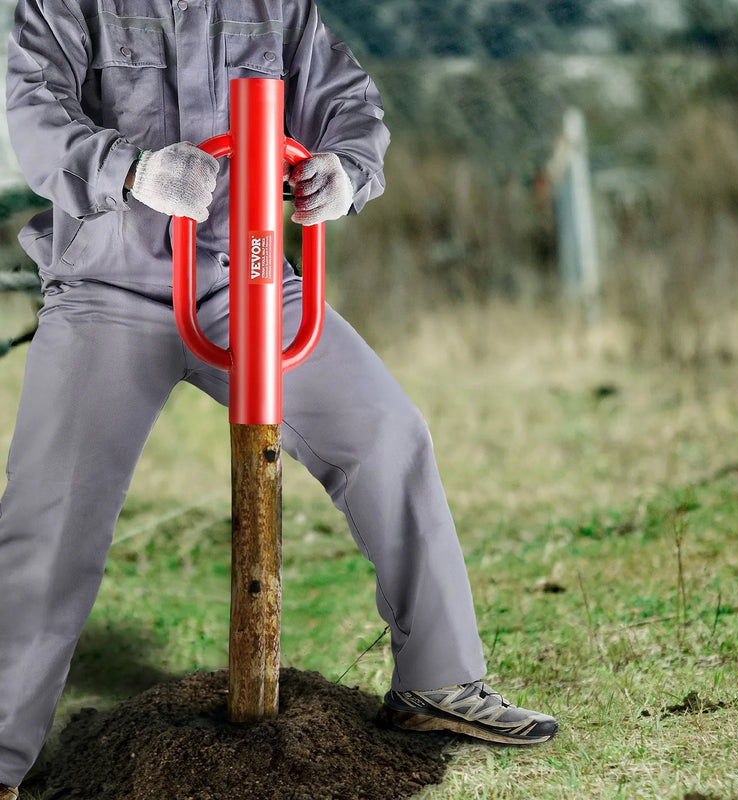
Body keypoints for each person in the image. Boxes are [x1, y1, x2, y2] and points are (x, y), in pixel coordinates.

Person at [0, 0, 557, 794]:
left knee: (388, 436)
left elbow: (346, 102)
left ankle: (438, 682)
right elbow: (34, 117)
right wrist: (133, 168)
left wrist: (347, 170)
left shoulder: (276, 6)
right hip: (105, 284)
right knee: (49, 518)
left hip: (249, 273)